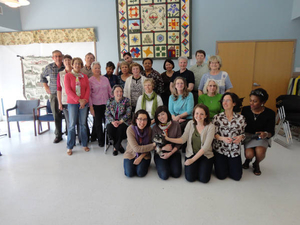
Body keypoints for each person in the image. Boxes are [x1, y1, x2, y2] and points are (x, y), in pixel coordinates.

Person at [165, 104, 215, 183]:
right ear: (194, 114)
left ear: (206, 116)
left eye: (202, 114)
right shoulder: (190, 123)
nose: (198, 116)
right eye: (197, 113)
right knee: (190, 178)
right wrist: (168, 138)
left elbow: (205, 148)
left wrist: (192, 160)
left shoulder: (211, 126)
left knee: (204, 179)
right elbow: (183, 140)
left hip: (205, 155)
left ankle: (201, 166)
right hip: (191, 153)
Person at [241, 88, 275, 176]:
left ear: (262, 102)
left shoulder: (270, 113)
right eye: (250, 100)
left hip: (261, 136)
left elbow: (271, 131)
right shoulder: (245, 110)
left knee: (260, 153)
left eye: (255, 101)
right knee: (249, 154)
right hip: (248, 136)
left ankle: (256, 163)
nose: (251, 103)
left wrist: (266, 134)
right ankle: (248, 160)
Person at [213, 92, 246, 181]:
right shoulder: (217, 117)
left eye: (228, 100)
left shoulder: (241, 118)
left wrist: (240, 137)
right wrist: (222, 138)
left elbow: (243, 134)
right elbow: (214, 135)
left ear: (234, 103)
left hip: (234, 149)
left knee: (237, 177)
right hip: (221, 149)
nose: (225, 103)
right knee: (221, 176)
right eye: (223, 100)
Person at [64, 57, 90, 155]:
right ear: (72, 64)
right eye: (75, 63)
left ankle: (84, 144)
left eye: (79, 64)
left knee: (83, 124)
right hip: (72, 103)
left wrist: (84, 101)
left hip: (84, 103)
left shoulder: (84, 76)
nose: (77, 65)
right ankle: (70, 146)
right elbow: (68, 91)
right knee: (71, 125)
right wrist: (78, 100)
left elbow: (87, 89)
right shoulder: (68, 76)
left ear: (81, 65)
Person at [40, 50, 65, 143]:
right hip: (54, 94)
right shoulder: (49, 67)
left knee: (67, 115)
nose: (58, 58)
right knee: (56, 115)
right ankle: (58, 135)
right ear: (53, 58)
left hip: (65, 95)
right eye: (56, 56)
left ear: (62, 57)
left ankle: (69, 133)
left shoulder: (66, 66)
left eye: (59, 56)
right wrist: (46, 86)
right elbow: (42, 76)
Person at [152, 106, 182, 180]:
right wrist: (162, 148)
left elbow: (179, 142)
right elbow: (153, 144)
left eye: (162, 114)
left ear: (167, 114)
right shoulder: (155, 128)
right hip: (160, 152)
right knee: (164, 175)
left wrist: (170, 153)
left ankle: (169, 163)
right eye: (158, 115)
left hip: (174, 152)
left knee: (176, 173)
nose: (161, 117)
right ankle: (161, 164)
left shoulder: (176, 125)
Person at [123, 110, 155, 177]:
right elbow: (136, 148)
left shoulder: (149, 129)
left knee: (140, 173)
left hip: (144, 154)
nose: (142, 122)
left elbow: (149, 147)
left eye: (145, 119)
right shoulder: (130, 129)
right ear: (136, 119)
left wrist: (140, 157)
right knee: (129, 173)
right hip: (131, 153)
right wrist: (153, 145)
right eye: (140, 119)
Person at [89, 62, 112, 147]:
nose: (97, 69)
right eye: (95, 68)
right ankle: (101, 140)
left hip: (106, 104)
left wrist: (114, 101)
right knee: (98, 123)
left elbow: (110, 91)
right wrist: (91, 107)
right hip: (96, 105)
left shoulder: (105, 79)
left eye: (98, 68)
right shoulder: (90, 80)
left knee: (107, 122)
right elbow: (89, 95)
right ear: (92, 69)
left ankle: (107, 138)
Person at [105, 85, 132, 156]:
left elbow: (128, 113)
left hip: (123, 121)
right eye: (117, 91)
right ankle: (118, 145)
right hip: (112, 121)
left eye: (121, 91)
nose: (119, 93)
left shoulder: (127, 100)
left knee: (121, 129)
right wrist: (113, 121)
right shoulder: (110, 101)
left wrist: (121, 121)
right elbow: (107, 113)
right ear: (113, 93)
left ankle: (115, 148)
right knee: (110, 129)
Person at [57, 54, 72, 133]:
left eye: (69, 60)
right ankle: (70, 139)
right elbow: (59, 89)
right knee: (68, 121)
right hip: (65, 100)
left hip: (76, 100)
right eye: (65, 60)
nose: (67, 62)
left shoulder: (76, 72)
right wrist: (60, 103)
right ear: (63, 62)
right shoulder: (60, 74)